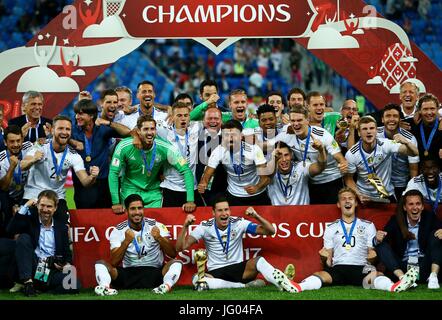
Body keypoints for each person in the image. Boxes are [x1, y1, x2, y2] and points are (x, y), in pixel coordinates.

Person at [289, 188, 418, 293]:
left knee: (376, 274)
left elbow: (371, 255)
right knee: (320, 274)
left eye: (350, 198)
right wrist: (323, 258)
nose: (347, 201)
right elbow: (328, 262)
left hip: (361, 267)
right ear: (339, 205)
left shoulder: (368, 225)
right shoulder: (331, 227)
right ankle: (298, 287)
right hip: (339, 267)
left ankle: (394, 287)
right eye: (343, 199)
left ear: (356, 203)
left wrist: (372, 257)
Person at [175, 196, 299, 293]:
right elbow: (180, 248)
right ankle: (243, 286)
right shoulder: (205, 226)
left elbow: (270, 231)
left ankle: (284, 283)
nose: (224, 214)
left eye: (226, 209)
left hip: (240, 270)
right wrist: (185, 226)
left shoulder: (239, 222)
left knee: (259, 261)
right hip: (216, 273)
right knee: (197, 279)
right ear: (213, 213)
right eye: (220, 210)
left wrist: (256, 216)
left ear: (230, 210)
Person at [94, 194, 183, 295]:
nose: (137, 212)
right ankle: (105, 288)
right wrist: (126, 242)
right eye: (132, 209)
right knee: (100, 264)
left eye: (140, 208)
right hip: (128, 275)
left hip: (155, 273)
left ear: (143, 209)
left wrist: (159, 238)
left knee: (176, 262)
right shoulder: (118, 230)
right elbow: (114, 262)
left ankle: (165, 286)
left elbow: (172, 254)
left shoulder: (156, 226)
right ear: (126, 211)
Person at [109, 115, 196, 213]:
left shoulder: (165, 148)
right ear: (138, 131)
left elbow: (186, 171)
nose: (150, 132)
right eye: (145, 129)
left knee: (155, 225)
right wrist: (115, 202)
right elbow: (113, 173)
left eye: (152, 129)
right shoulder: (124, 146)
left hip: (153, 193)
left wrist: (190, 200)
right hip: (130, 190)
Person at [22, 115, 99, 224]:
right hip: (34, 194)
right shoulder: (39, 146)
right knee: (28, 230)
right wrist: (33, 159)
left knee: (64, 229)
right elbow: (22, 165)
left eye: (67, 129)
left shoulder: (73, 155)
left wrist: (92, 176)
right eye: (60, 128)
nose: (64, 132)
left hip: (57, 197)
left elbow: (85, 182)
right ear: (52, 130)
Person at [7, 190, 80, 296]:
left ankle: (40, 288)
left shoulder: (62, 228)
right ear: (37, 206)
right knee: (23, 238)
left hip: (51, 269)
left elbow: (67, 255)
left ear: (55, 208)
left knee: (75, 284)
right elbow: (10, 229)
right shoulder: (30, 221)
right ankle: (28, 283)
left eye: (49, 206)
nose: (45, 210)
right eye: (42, 205)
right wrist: (26, 205)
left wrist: (65, 265)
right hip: (32, 266)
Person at [271, 104, 348, 204]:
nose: (296, 124)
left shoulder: (322, 135)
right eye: (293, 121)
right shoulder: (287, 135)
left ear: (307, 120)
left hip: (331, 181)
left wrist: (343, 164)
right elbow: (267, 145)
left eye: (299, 120)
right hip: (311, 183)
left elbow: (340, 157)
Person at [374, 189, 442, 289]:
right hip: (403, 266)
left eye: (418, 204)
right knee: (381, 244)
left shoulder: (430, 217)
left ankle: (433, 276)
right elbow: (384, 238)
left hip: (424, 265)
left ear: (422, 206)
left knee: (437, 234)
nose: (415, 208)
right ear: (405, 207)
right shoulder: (396, 220)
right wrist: (378, 237)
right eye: (411, 204)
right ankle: (403, 279)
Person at [70, 99, 130, 209]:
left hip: (103, 183)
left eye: (81, 113)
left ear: (92, 115)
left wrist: (108, 122)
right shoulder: (72, 131)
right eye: (76, 113)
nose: (77, 116)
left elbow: (127, 132)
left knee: (105, 219)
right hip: (82, 183)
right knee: (85, 219)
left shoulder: (103, 129)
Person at [345, 116, 419, 203]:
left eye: (372, 128)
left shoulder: (386, 144)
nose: (368, 131)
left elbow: (414, 153)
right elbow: (348, 179)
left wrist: (406, 142)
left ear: (376, 131)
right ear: (359, 133)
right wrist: (358, 194)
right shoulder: (352, 154)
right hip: (364, 196)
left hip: (387, 195)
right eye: (364, 129)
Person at [198, 120, 271, 206]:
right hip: (233, 196)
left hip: (258, 195)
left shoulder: (254, 149)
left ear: (241, 136)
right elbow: (207, 176)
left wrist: (257, 187)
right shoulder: (218, 151)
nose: (230, 138)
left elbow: (266, 178)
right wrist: (203, 184)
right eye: (226, 135)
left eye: (234, 134)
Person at [156, 102, 202, 207]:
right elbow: (139, 127)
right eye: (179, 115)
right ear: (172, 117)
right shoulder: (163, 131)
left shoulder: (196, 129)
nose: (183, 119)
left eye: (186, 115)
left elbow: (216, 119)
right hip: (170, 188)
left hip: (192, 188)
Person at [376, 104, 419, 200]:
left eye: (395, 116)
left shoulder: (409, 139)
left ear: (400, 120)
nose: (391, 119)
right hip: (378, 185)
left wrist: (411, 189)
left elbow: (414, 169)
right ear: (382, 119)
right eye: (388, 116)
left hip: (401, 185)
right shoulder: (374, 134)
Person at [0, 125, 38, 234]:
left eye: (18, 140)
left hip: (26, 193)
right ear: (5, 142)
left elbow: (41, 146)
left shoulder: (29, 147)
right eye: (12, 142)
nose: (16, 145)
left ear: (22, 139)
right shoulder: (1, 159)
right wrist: (11, 167)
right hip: (8, 196)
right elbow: (3, 187)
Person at [268, 141, 326, 205]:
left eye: (286, 155)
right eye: (279, 156)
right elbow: (267, 176)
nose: (284, 159)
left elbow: (319, 168)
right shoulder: (270, 172)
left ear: (291, 155)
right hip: (278, 214)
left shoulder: (301, 167)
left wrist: (321, 151)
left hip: (302, 213)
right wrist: (273, 160)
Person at [196, 107, 227, 206]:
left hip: (221, 188)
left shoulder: (228, 138)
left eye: (216, 118)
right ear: (203, 121)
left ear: (221, 120)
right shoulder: (195, 136)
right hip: (198, 187)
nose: (213, 121)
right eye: (209, 118)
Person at [411, 94, 442, 169]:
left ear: (437, 109)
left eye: (432, 108)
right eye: (425, 109)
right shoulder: (412, 126)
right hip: (418, 172)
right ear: (419, 111)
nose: (429, 112)